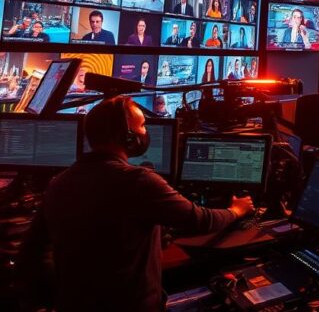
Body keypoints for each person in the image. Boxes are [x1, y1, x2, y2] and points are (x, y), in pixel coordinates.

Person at [17, 97, 253, 312]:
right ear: (127, 136)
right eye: (141, 125)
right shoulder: (138, 181)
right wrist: (236, 210)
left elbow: (31, 252)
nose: (145, 131)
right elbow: (200, 219)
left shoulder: (59, 183)